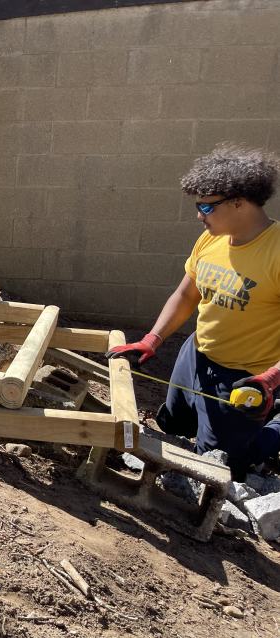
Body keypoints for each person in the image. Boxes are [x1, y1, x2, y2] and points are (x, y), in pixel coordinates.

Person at [106, 144, 280, 480]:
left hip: (245, 378)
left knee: (225, 467)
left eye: (206, 206)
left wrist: (269, 381)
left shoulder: (275, 252)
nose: (199, 215)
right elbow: (186, 294)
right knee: (171, 423)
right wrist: (152, 340)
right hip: (196, 356)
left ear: (239, 203)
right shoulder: (211, 239)